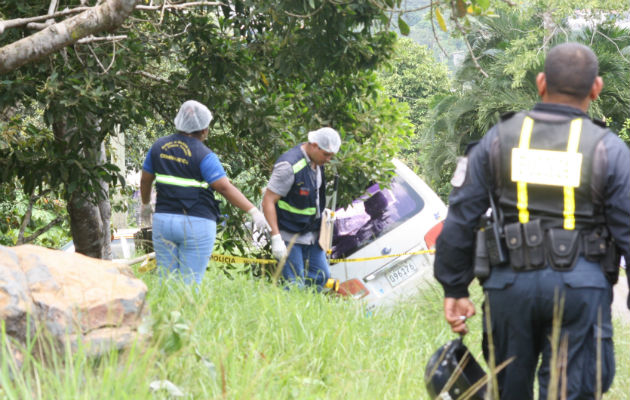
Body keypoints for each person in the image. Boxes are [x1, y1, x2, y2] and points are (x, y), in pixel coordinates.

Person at [433, 42, 630, 400]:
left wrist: (455, 288)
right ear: (596, 88)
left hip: (509, 287)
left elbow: (461, 217)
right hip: (582, 288)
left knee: (508, 391)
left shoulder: (497, 141)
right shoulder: (610, 150)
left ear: (540, 83)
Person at [140, 100, 270, 284]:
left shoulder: (158, 147)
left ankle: (166, 313)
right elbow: (224, 187)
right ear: (203, 130)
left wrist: (145, 204)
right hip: (196, 223)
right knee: (190, 282)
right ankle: (187, 313)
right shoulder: (204, 155)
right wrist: (253, 211)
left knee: (166, 280)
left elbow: (146, 180)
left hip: (164, 222)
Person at [262, 127, 341, 289]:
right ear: (314, 145)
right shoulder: (289, 165)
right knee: (294, 284)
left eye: (331, 156)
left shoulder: (317, 162)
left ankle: (306, 311)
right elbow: (268, 201)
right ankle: (287, 313)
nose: (328, 159)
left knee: (321, 276)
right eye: (326, 154)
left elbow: (312, 193)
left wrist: (322, 212)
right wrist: (276, 238)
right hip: (289, 234)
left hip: (312, 233)